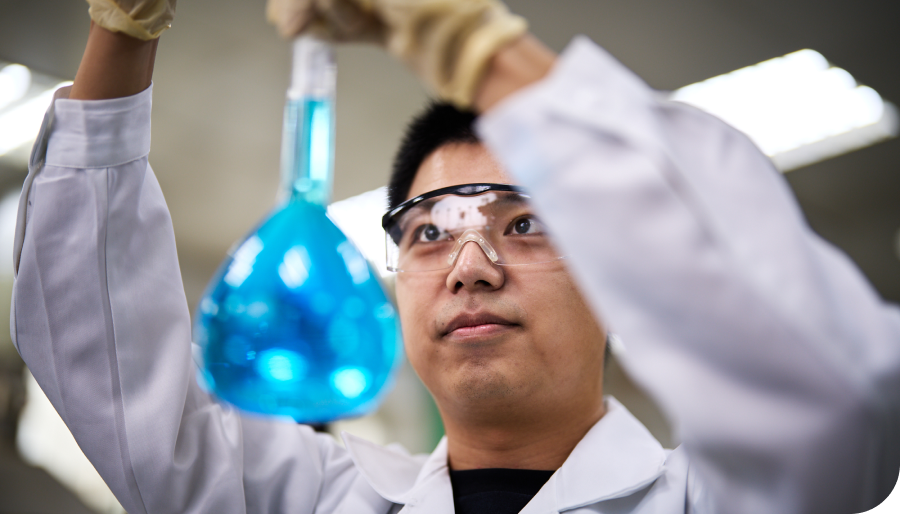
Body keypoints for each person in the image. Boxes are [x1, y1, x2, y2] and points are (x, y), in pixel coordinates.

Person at [10, 0, 900, 513]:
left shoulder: (725, 498)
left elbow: (838, 389)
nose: (469, 266)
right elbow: (109, 364)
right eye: (429, 233)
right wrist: (122, 26)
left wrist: (471, 47)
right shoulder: (318, 499)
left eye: (524, 224)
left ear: (616, 272)